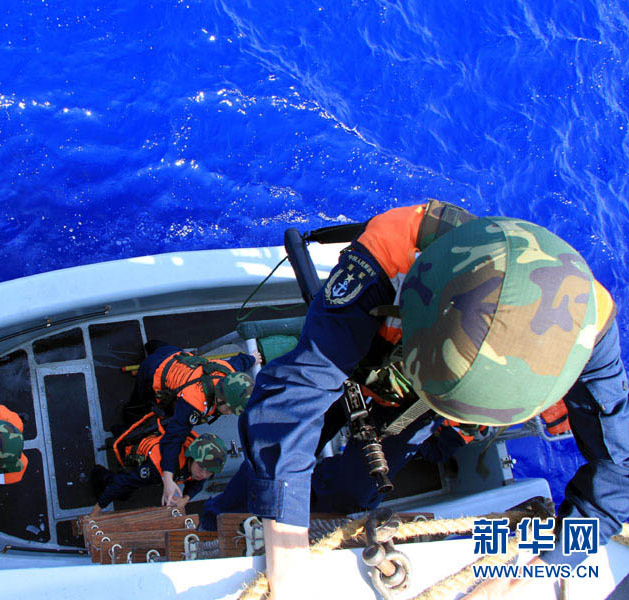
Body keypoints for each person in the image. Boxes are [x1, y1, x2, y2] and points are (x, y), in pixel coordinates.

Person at [236, 201, 628, 598]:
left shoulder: (586, 322)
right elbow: (298, 391)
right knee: (267, 468)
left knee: (355, 490)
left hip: (415, 408)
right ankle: (230, 509)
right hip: (352, 363)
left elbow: (619, 476)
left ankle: (328, 494)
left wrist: (542, 567)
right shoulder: (389, 251)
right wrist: (285, 549)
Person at [122, 339, 257, 507]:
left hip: (175, 354)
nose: (230, 414)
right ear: (220, 398)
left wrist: (252, 358)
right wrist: (169, 478)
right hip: (153, 371)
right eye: (229, 410)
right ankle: (124, 427)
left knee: (159, 347)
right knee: (136, 407)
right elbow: (173, 437)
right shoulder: (193, 403)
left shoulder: (227, 372)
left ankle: (151, 345)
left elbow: (238, 362)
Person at [89, 430, 228, 517]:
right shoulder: (158, 467)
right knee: (123, 492)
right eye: (201, 468)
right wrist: (97, 511)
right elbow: (120, 484)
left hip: (162, 466)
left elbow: (198, 482)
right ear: (191, 457)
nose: (203, 474)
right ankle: (98, 472)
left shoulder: (199, 463)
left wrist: (185, 499)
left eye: (209, 472)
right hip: (140, 457)